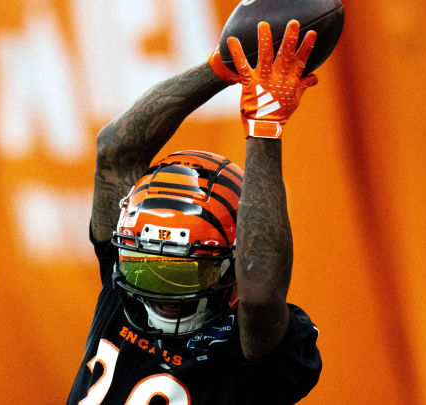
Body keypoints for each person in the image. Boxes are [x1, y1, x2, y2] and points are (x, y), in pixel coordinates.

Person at [67, 20, 322, 404]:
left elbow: (260, 294)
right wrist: (222, 66)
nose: (157, 293)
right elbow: (115, 152)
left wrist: (265, 130)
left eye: (180, 272)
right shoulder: (122, 289)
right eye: (143, 266)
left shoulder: (249, 344)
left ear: (236, 263)